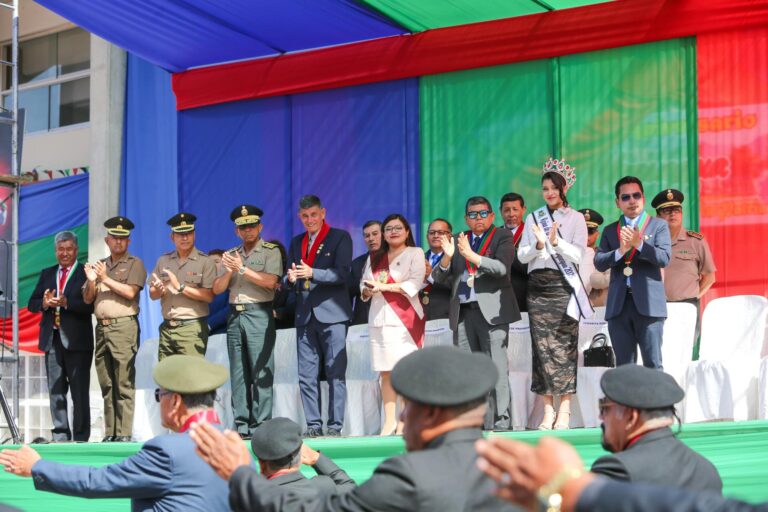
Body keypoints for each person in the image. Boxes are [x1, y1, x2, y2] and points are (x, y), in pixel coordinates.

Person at [191, 346, 518, 511]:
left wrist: (238, 473)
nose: (403, 418)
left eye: (409, 407)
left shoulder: (411, 476)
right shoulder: (515, 471)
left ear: (431, 412)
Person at [0, 355, 231, 511]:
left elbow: (97, 482)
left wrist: (37, 467)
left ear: (176, 401)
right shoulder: (234, 448)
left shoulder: (167, 451)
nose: (159, 401)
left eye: (159, 395)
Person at [475, 436, 763, 512]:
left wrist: (579, 491)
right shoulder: (706, 466)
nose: (600, 420)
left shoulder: (615, 468)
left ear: (629, 416)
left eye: (606, 410)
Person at [432, 196, 519, 431]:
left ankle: (502, 423)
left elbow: (501, 269)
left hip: (492, 313)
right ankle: (474, 422)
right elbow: (439, 279)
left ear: (492, 216)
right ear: (466, 218)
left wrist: (472, 257)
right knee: (468, 372)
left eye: (483, 213)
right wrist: (448, 256)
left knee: (496, 369)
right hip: (463, 313)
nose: (478, 218)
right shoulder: (460, 240)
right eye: (472, 214)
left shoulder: (502, 236)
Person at [517, 159, 591, 431]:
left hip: (563, 286)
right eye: (545, 188)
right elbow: (522, 256)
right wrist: (538, 244)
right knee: (542, 349)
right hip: (537, 287)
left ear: (564, 188)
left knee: (564, 348)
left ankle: (566, 410)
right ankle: (548, 411)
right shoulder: (533, 218)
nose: (549, 193)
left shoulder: (576, 218)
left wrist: (558, 242)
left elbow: (579, 254)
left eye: (554, 188)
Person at [212, 205, 283, 439]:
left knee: (261, 369)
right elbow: (217, 289)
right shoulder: (231, 254)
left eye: (252, 226)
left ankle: (262, 425)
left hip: (258, 313)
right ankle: (242, 424)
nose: (248, 231)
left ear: (260, 227)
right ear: (237, 231)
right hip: (235, 314)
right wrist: (230, 271)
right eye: (243, 227)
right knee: (238, 372)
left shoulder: (270, 251)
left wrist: (242, 269)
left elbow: (271, 282)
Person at [592, 365, 722, 492]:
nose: (600, 416)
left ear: (631, 416)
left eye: (604, 408)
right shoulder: (706, 470)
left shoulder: (617, 471)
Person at [285, 195, 353, 437]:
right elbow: (289, 275)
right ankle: (313, 425)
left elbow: (342, 274)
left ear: (323, 213)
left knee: (335, 372)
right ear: (299, 217)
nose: (310, 220)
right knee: (306, 375)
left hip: (333, 314)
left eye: (314, 214)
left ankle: (335, 427)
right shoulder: (296, 242)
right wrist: (290, 279)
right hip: (304, 315)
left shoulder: (339, 237)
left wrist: (313, 272)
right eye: (305, 216)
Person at [595, 177, 671, 369]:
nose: (632, 200)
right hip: (619, 306)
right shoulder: (611, 230)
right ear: (618, 202)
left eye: (636, 195)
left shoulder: (658, 225)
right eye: (626, 197)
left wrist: (640, 244)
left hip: (649, 305)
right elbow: (599, 262)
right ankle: (627, 401)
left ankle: (657, 401)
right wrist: (620, 252)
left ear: (643, 198)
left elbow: (664, 258)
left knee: (652, 364)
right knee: (624, 367)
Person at [82, 217, 147, 443]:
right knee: (107, 382)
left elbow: (131, 293)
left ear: (128, 241)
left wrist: (105, 279)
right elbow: (88, 298)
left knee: (123, 381)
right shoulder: (99, 265)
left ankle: (125, 433)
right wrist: (92, 281)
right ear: (106, 240)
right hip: (101, 328)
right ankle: (111, 432)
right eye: (114, 238)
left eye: (122, 238)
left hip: (123, 327)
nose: (118, 242)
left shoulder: (134, 263)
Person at [360, 213, 426, 435]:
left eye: (398, 228)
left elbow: (415, 283)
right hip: (379, 319)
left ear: (407, 231)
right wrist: (368, 290)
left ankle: (405, 421)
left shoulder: (414, 253)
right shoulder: (375, 257)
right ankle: (389, 422)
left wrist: (384, 288)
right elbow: (363, 286)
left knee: (405, 371)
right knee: (385, 373)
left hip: (405, 320)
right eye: (389, 229)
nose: (393, 232)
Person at [27, 230, 94, 442]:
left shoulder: (86, 272)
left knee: (79, 392)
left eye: (69, 249)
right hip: (52, 340)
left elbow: (90, 305)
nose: (64, 253)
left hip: (78, 341)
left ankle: (81, 437)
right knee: (56, 391)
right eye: (60, 249)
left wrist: (67, 303)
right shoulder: (47, 273)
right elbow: (32, 303)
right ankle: (60, 435)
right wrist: (45, 303)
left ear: (76, 251)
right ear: (55, 251)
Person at [227, 417, 355, 511]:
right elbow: (350, 488)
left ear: (261, 463)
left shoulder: (251, 500)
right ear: (300, 456)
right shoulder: (323, 486)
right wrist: (316, 458)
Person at [651, 188, 716, 358]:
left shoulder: (696, 241)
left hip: (687, 307)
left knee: (684, 353)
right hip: (657, 309)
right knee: (659, 354)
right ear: (658, 216)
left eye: (677, 210)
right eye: (667, 210)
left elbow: (710, 277)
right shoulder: (649, 243)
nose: (673, 214)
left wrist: (694, 296)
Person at [149, 212, 217, 360]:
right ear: (172, 237)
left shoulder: (205, 261)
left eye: (188, 233)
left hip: (191, 328)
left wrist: (180, 287)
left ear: (194, 235)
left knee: (190, 378)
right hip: (167, 327)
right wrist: (159, 289)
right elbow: (152, 294)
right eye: (180, 234)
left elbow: (209, 296)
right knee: (166, 378)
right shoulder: (163, 260)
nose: (185, 238)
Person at [500, 193, 528, 313]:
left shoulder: (532, 234)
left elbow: (529, 267)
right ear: (501, 211)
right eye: (506, 210)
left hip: (523, 296)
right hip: (497, 298)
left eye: (515, 209)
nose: (511, 214)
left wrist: (507, 252)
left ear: (523, 209)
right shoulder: (493, 235)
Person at [350, 220, 382, 326]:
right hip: (363, 322)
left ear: (384, 235)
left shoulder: (395, 259)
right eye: (367, 236)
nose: (371, 238)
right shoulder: (356, 264)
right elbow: (349, 294)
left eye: (375, 234)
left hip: (388, 320)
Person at [419, 218, 452, 321]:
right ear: (427, 237)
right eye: (432, 232)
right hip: (422, 315)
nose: (436, 235)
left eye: (441, 232)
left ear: (449, 236)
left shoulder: (457, 258)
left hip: (447, 316)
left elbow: (455, 285)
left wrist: (429, 276)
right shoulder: (419, 258)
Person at [577, 209, 609, 307]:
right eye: (581, 231)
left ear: (597, 234)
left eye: (590, 231)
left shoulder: (605, 256)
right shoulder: (564, 254)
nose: (586, 235)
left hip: (596, 307)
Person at [206, 249, 229, 335]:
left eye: (216, 261)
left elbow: (232, 308)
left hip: (224, 336)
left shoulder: (234, 284)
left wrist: (209, 324)